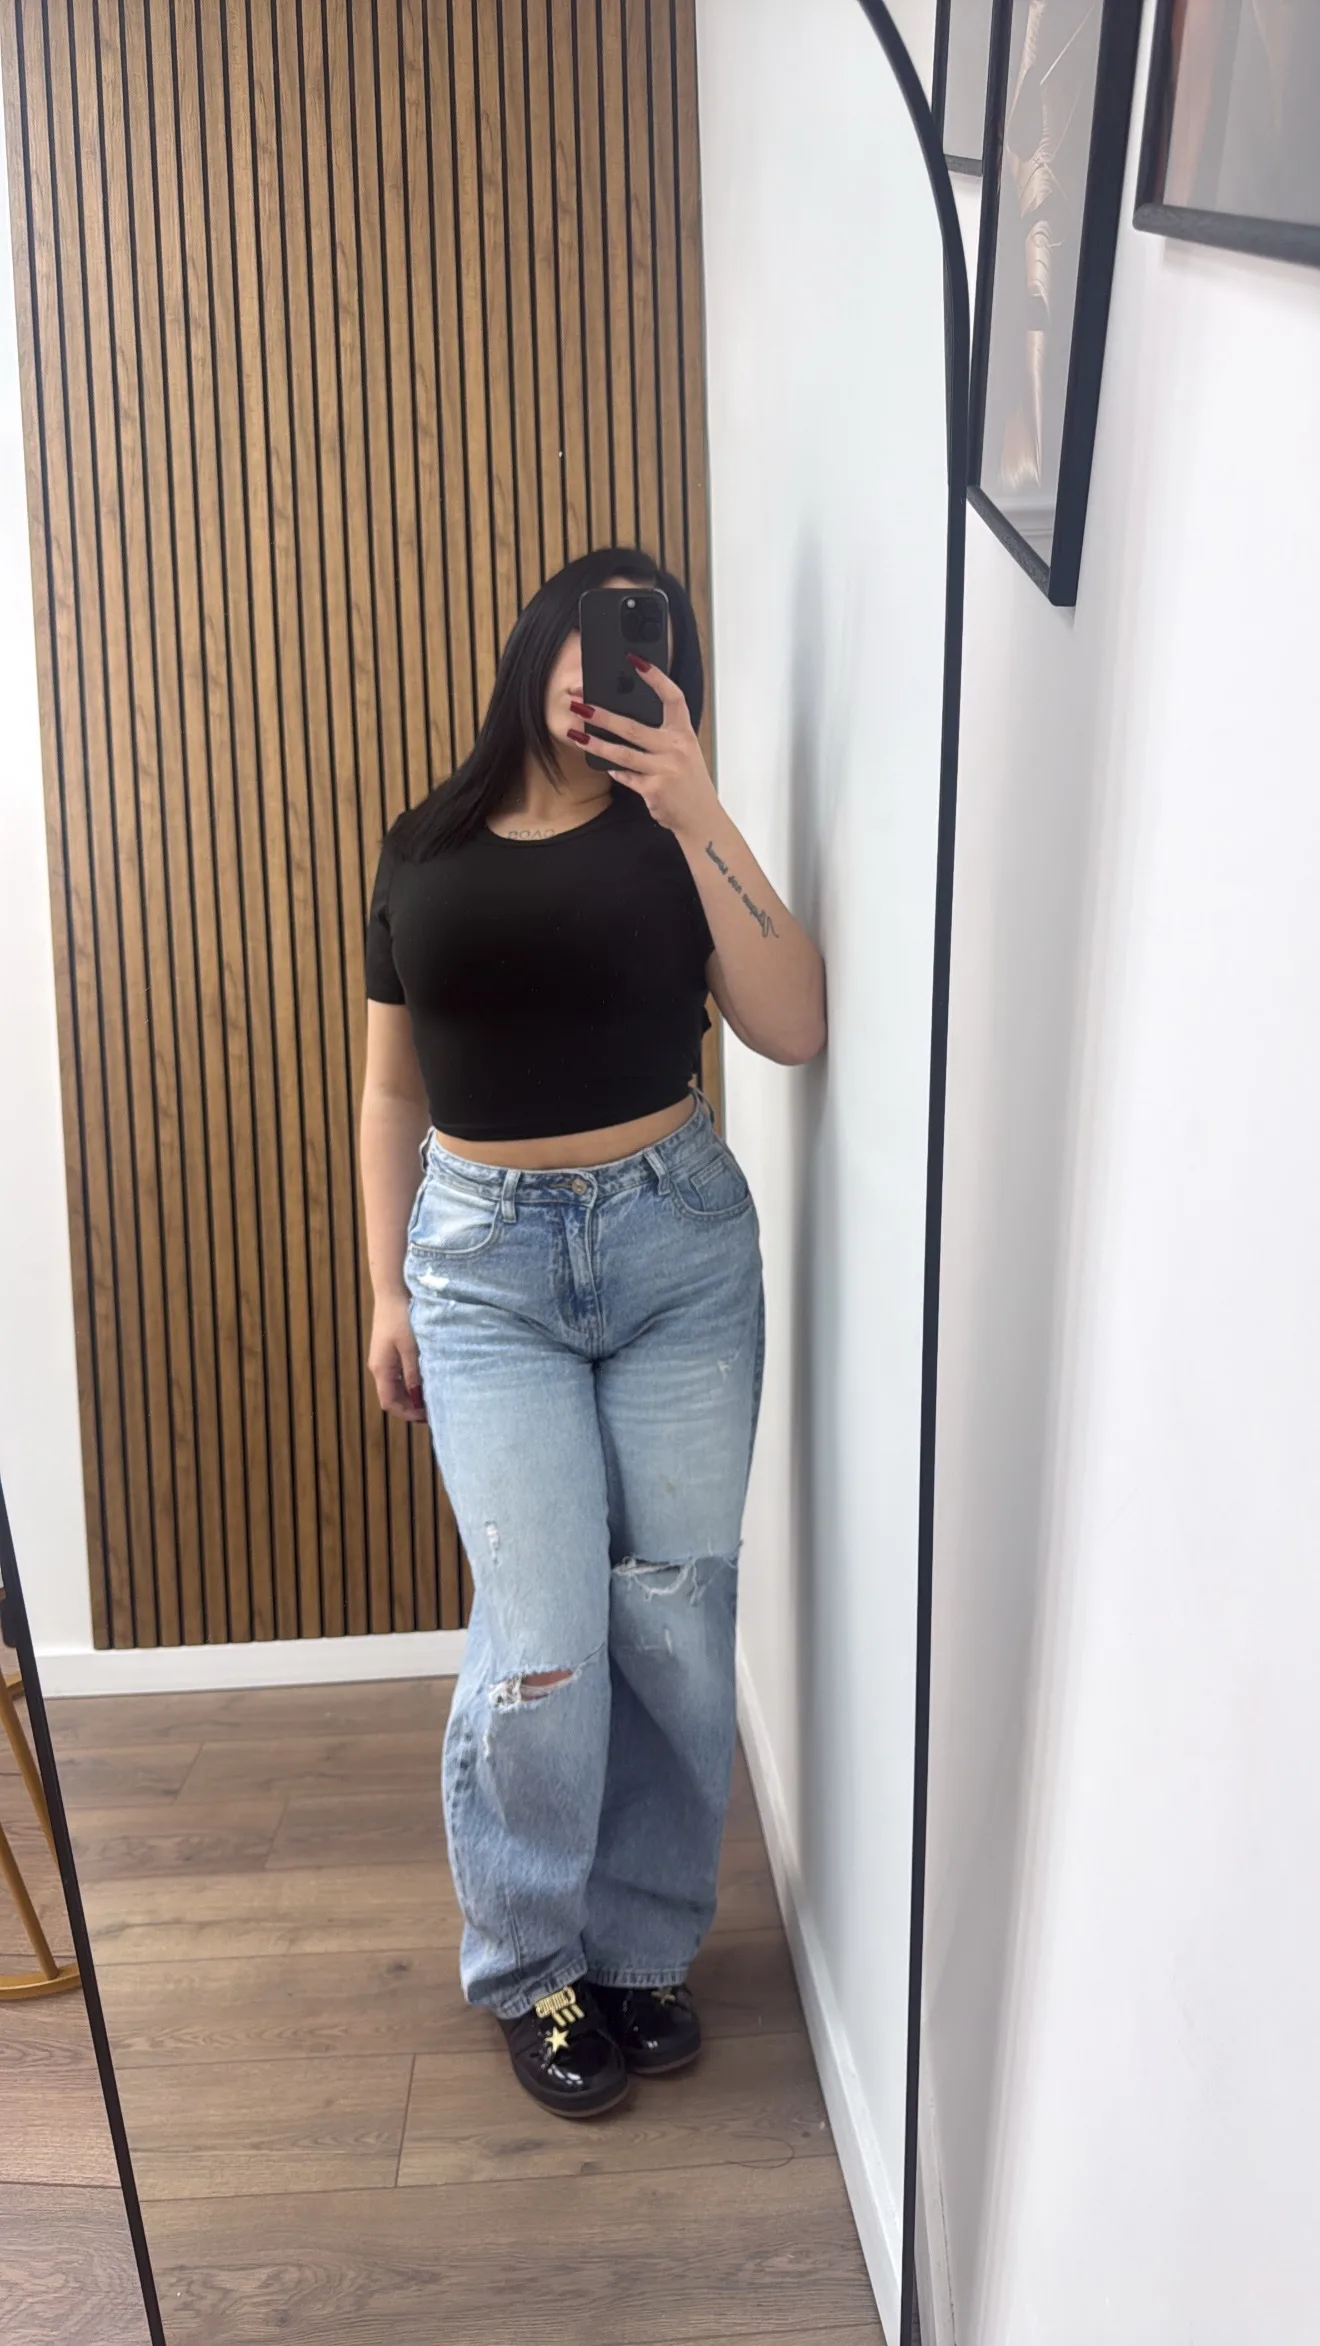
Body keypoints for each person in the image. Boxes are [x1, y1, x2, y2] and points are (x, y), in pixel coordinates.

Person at [359, 546, 825, 2118]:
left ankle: (636, 1948)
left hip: (677, 1250)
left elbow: (793, 1020)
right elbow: (390, 1090)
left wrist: (699, 810)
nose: (602, 664)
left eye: (642, 639)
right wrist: (383, 1288)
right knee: (545, 1642)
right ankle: (529, 1954)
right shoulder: (422, 848)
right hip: (482, 1274)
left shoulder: (671, 837)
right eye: (586, 627)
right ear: (536, 641)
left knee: (677, 1623)